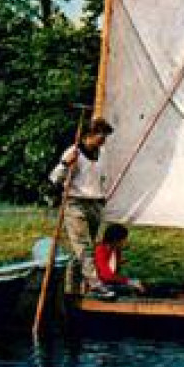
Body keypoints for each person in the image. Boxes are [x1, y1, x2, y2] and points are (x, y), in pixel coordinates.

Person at [48, 117, 114, 297]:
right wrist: (65, 164)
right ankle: (95, 284)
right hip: (75, 203)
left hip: (95, 203)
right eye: (100, 135)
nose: (103, 140)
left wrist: (102, 196)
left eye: (105, 136)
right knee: (84, 247)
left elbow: (100, 177)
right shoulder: (73, 152)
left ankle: (71, 289)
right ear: (88, 135)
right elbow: (54, 178)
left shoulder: (103, 153)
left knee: (83, 249)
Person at [91, 223, 144, 298]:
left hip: (110, 283)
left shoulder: (116, 251)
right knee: (130, 289)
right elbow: (106, 275)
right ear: (115, 239)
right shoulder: (101, 250)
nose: (125, 242)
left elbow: (114, 273)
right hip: (99, 286)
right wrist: (129, 281)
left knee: (134, 288)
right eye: (123, 239)